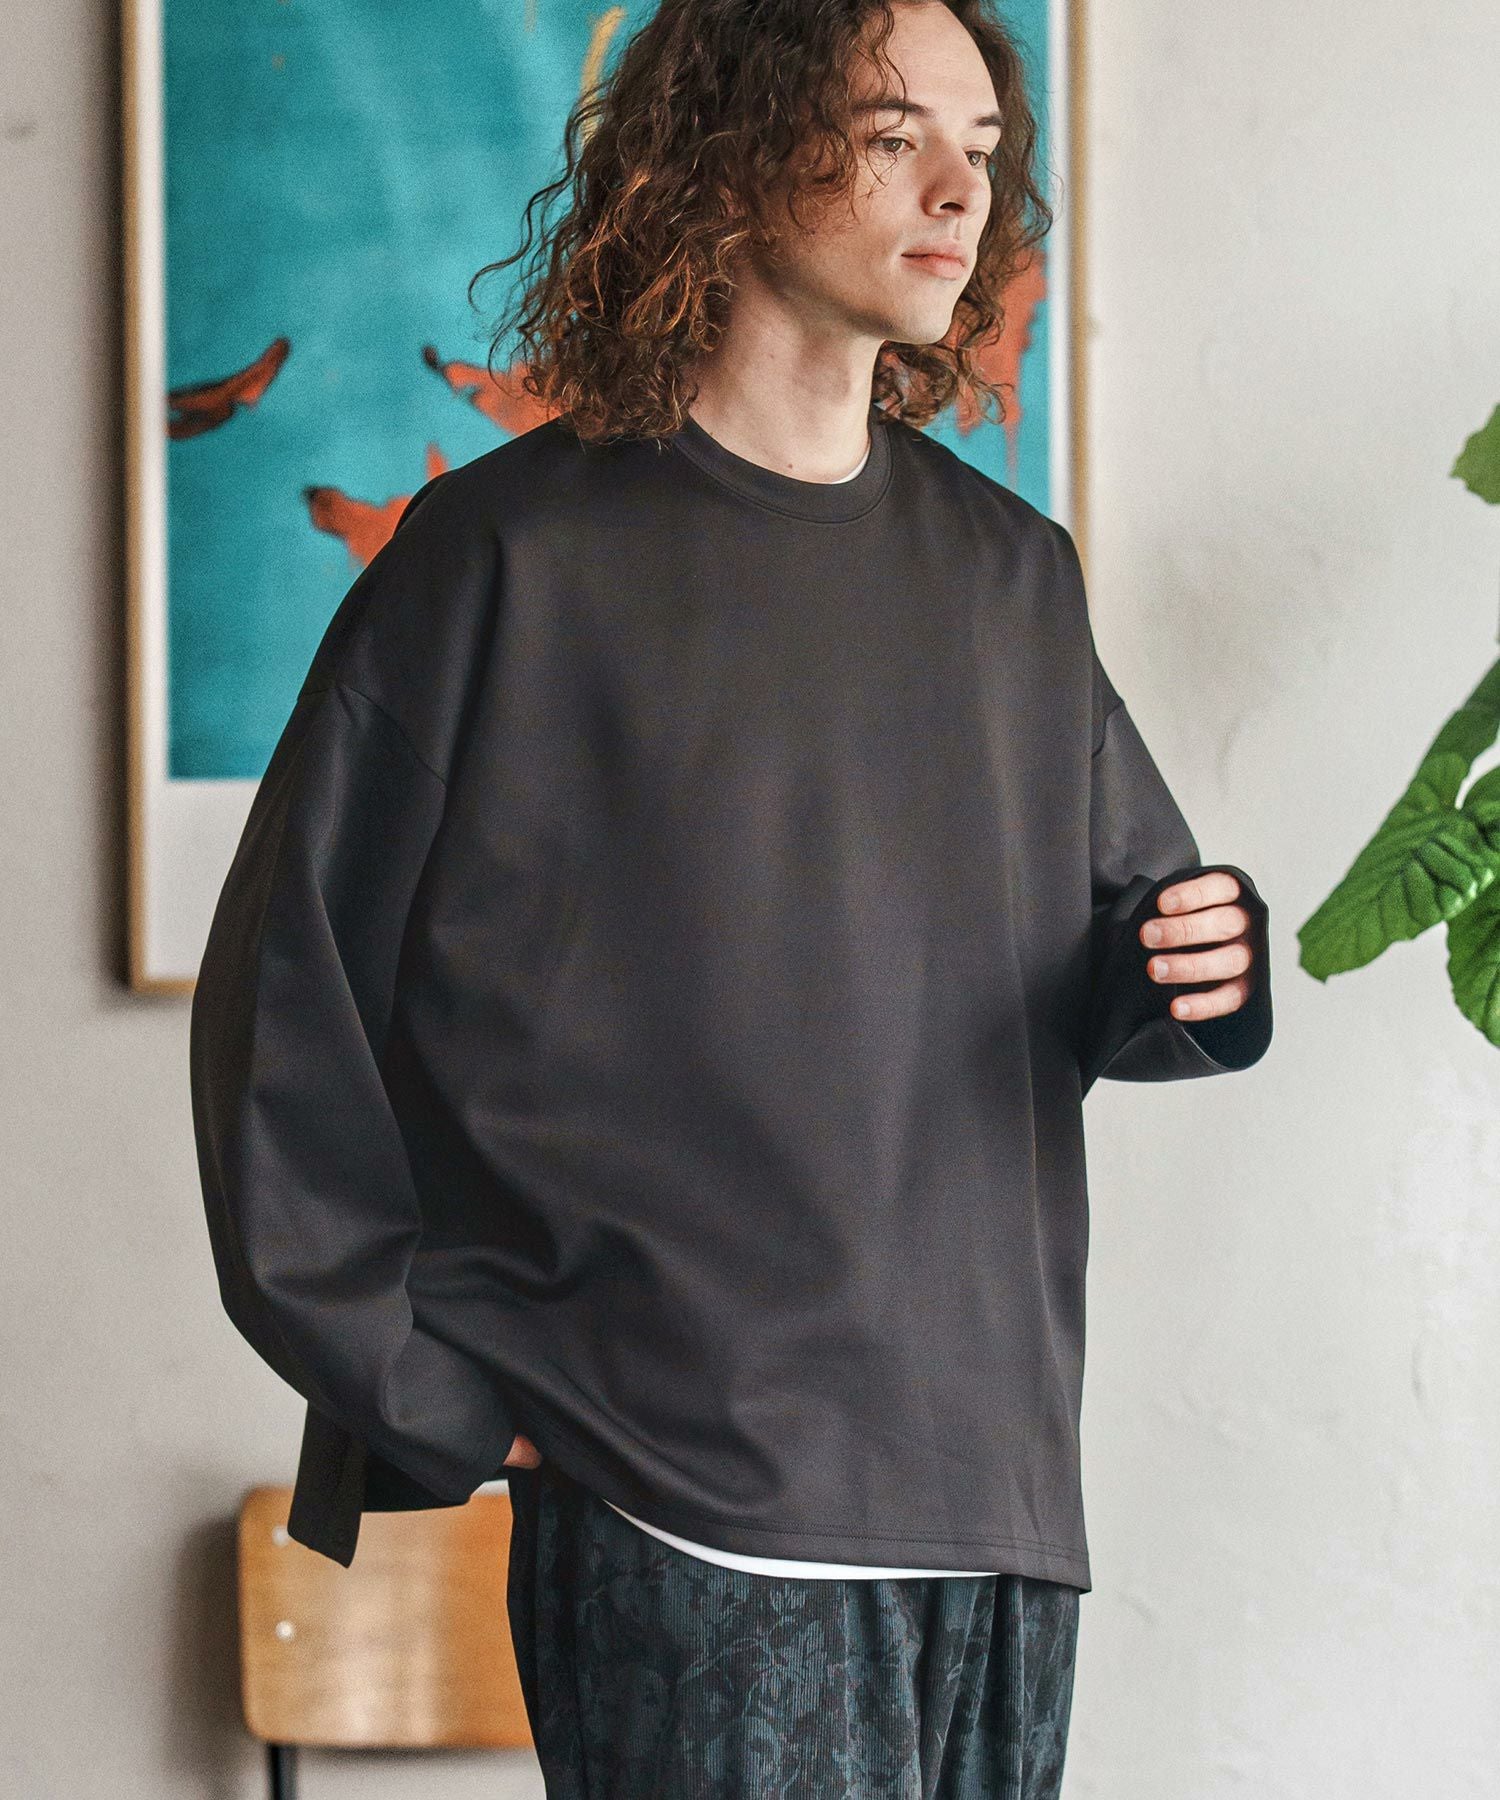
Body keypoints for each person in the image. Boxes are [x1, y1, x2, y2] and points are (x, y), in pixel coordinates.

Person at [189, 1, 1273, 1793]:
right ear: (735, 147)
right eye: (892, 134)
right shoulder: (506, 558)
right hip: (678, 1508)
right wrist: (432, 1390)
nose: (958, 193)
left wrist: (1196, 967)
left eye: (981, 150)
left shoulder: (1011, 578)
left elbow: (1105, 958)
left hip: (994, 1496)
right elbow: (280, 1015)